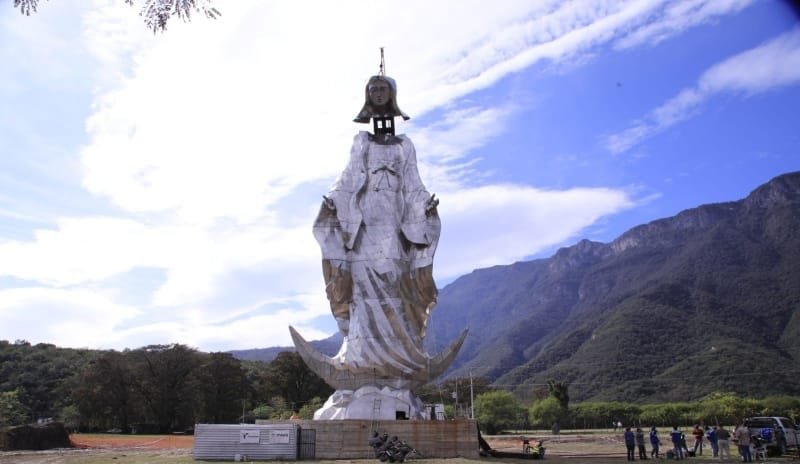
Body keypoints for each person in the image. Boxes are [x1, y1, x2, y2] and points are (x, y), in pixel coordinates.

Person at [313, 73, 441, 380]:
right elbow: (347, 178)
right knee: (361, 287)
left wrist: (425, 207)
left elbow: (413, 184)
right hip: (365, 224)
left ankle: (400, 356)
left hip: (394, 224)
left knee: (396, 283)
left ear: (392, 94)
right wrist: (333, 202)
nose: (378, 93)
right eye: (373, 89)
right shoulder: (361, 142)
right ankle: (360, 356)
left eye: (383, 88)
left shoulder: (405, 145)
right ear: (368, 96)